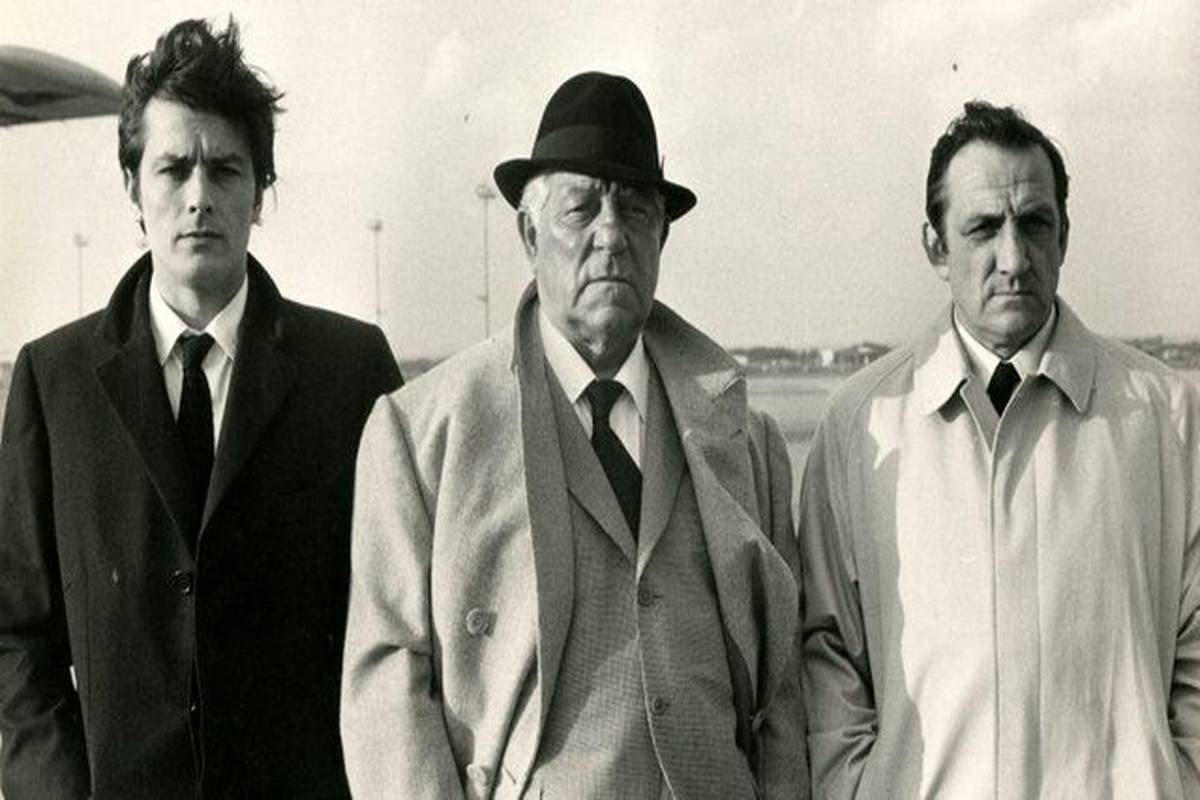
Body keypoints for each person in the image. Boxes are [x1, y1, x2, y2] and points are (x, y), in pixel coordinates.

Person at [340, 71, 806, 799]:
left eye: (636, 209)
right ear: (530, 234)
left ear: (662, 235)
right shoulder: (423, 435)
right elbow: (388, 692)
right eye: (581, 208)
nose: (611, 235)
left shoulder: (748, 443)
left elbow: (783, 697)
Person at [0, 18, 401, 799]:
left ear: (260, 192)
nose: (198, 198)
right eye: (173, 168)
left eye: (225, 170)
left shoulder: (351, 374)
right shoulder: (54, 382)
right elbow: (16, 636)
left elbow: (401, 622)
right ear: (132, 188)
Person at [799, 99, 1200, 797]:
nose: (1013, 259)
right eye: (983, 228)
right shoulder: (859, 426)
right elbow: (827, 656)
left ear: (1064, 236)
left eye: (1034, 224)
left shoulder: (1168, 417)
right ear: (935, 246)